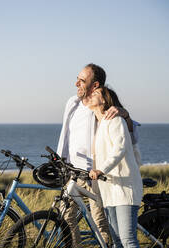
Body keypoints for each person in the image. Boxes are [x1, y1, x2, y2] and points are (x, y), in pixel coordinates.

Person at [57, 63, 131, 247]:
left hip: (94, 176)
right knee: (65, 218)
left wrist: (123, 113)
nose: (76, 83)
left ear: (95, 85)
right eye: (77, 79)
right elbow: (66, 136)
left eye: (82, 81)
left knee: (100, 224)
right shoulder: (72, 104)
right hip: (73, 173)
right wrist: (60, 161)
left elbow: (129, 129)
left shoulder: (103, 102)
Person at [88, 86, 143, 248]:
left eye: (95, 93)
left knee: (128, 240)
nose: (91, 96)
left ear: (104, 100)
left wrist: (101, 170)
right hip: (109, 189)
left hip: (125, 188)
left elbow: (120, 149)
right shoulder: (98, 125)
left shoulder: (115, 120)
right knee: (117, 242)